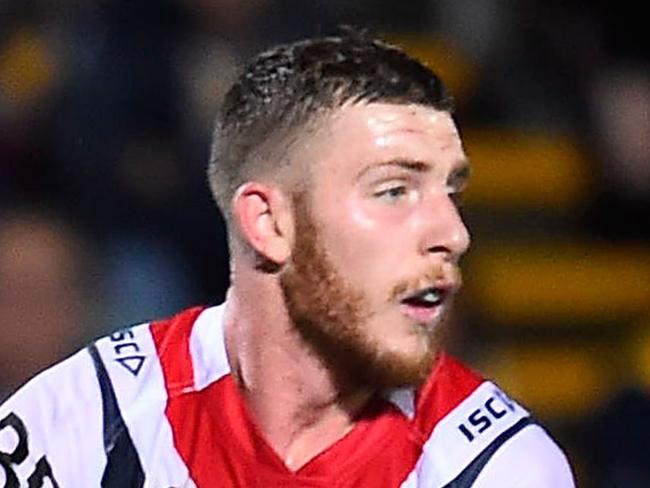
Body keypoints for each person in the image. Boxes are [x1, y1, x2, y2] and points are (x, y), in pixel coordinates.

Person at [0, 31, 575, 487]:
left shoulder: (497, 467)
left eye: (452, 192)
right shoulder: (86, 422)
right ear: (270, 224)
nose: (453, 232)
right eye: (394, 190)